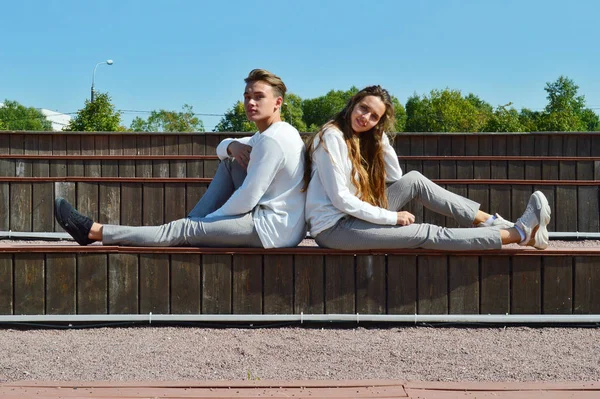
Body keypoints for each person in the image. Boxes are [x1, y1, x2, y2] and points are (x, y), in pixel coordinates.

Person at [55, 69, 306, 248]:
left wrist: (203, 223)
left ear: (277, 103)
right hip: (278, 224)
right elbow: (221, 149)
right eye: (247, 96)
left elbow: (248, 198)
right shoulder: (272, 134)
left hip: (270, 230)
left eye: (259, 96)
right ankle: (188, 227)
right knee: (230, 166)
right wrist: (232, 147)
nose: (250, 102)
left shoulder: (272, 141)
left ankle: (93, 231)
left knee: (182, 230)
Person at [303, 85, 551, 251]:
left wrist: (380, 137)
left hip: (353, 216)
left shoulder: (357, 138)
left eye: (374, 117)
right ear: (353, 104)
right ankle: (519, 234)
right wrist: (393, 217)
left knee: (414, 180)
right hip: (335, 228)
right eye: (363, 108)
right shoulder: (332, 137)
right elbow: (340, 199)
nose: (365, 118)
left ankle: (489, 222)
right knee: (425, 232)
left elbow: (394, 176)